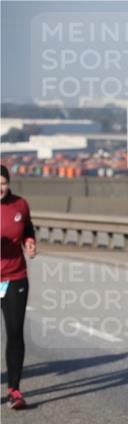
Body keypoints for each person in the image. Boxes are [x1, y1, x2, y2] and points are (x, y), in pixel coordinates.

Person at [1, 165, 36, 410]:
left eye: (3, 183)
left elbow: (27, 229)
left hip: (14, 276)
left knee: (15, 333)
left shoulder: (20, 205)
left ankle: (14, 389)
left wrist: (30, 242)